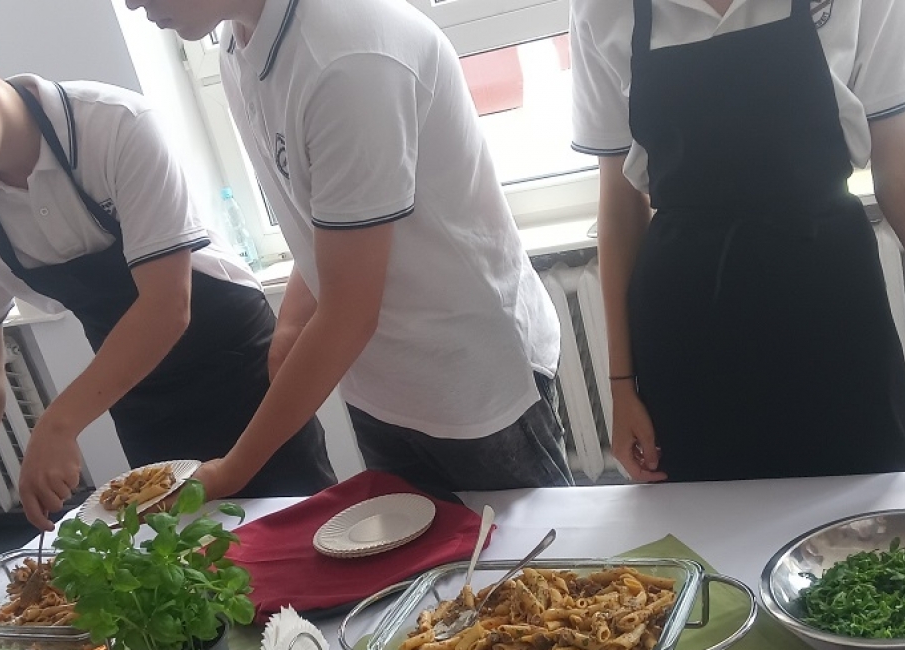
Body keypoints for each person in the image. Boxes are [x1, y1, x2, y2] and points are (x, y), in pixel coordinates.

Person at [0, 0, 337, 549]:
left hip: (238, 363)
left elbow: (167, 305)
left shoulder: (114, 125)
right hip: (139, 392)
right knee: (189, 557)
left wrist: (59, 422)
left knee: (302, 535)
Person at [122, 0, 574, 501]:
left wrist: (232, 471)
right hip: (378, 382)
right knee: (422, 549)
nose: (132, 3)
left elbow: (349, 314)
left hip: (471, 379)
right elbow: (329, 218)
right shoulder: (237, 44)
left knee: (535, 550)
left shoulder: (347, 57)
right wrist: (291, 325)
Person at [569, 0, 905, 483]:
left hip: (832, 314)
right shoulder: (599, 7)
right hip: (686, 332)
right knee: (708, 519)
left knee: (871, 510)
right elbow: (620, 205)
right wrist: (621, 385)